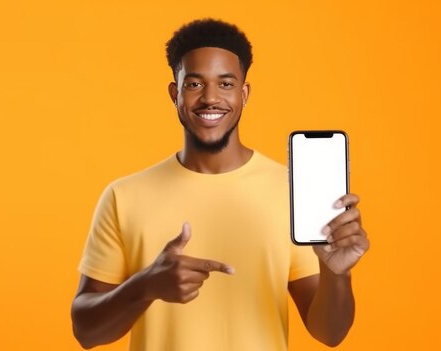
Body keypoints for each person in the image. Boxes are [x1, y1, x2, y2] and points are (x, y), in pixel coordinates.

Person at [71, 18, 369, 351]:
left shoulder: (289, 192)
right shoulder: (123, 196)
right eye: (195, 84)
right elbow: (86, 332)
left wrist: (337, 274)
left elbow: (330, 333)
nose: (210, 98)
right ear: (175, 93)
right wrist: (146, 286)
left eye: (225, 84)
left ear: (244, 94)